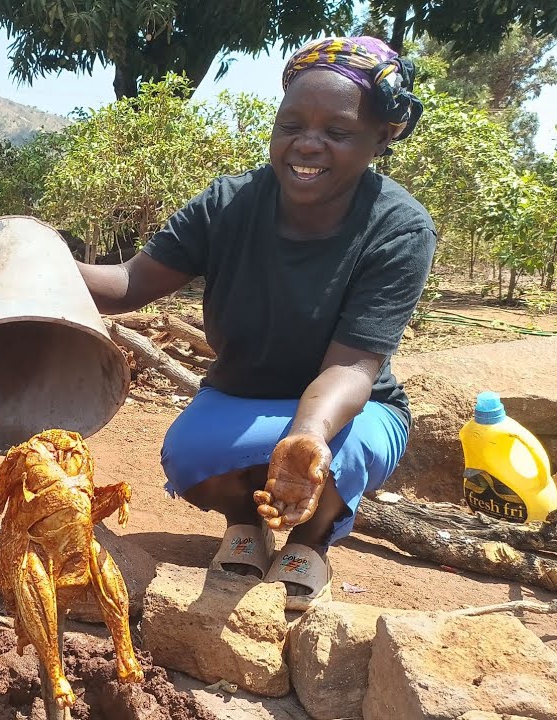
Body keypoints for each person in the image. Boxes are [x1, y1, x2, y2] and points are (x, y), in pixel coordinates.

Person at [78, 36, 436, 611]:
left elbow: (351, 365)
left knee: (341, 453)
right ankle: (245, 522)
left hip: (351, 409)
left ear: (382, 136)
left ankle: (312, 544)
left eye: (337, 132)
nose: (307, 145)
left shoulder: (398, 228)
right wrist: (36, 258)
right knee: (191, 452)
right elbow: (131, 283)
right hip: (243, 395)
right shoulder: (229, 204)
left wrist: (309, 432)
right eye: (291, 124)